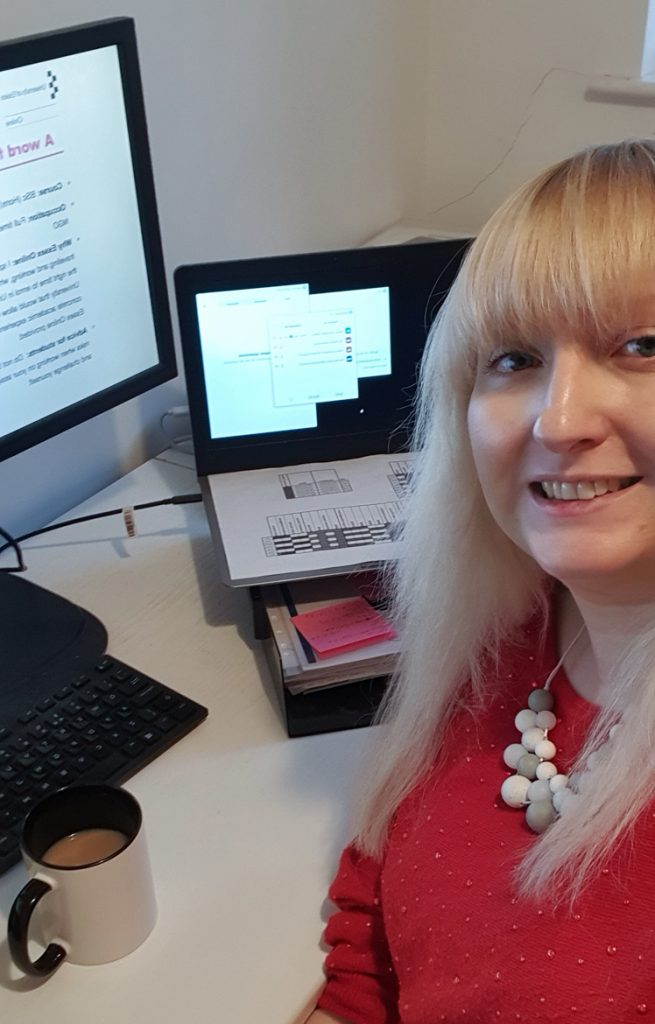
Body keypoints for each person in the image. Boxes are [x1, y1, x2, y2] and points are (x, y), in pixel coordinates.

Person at [306, 138, 655, 1023]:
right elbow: (371, 922)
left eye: (642, 345)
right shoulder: (503, 636)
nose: (560, 416)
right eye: (511, 357)